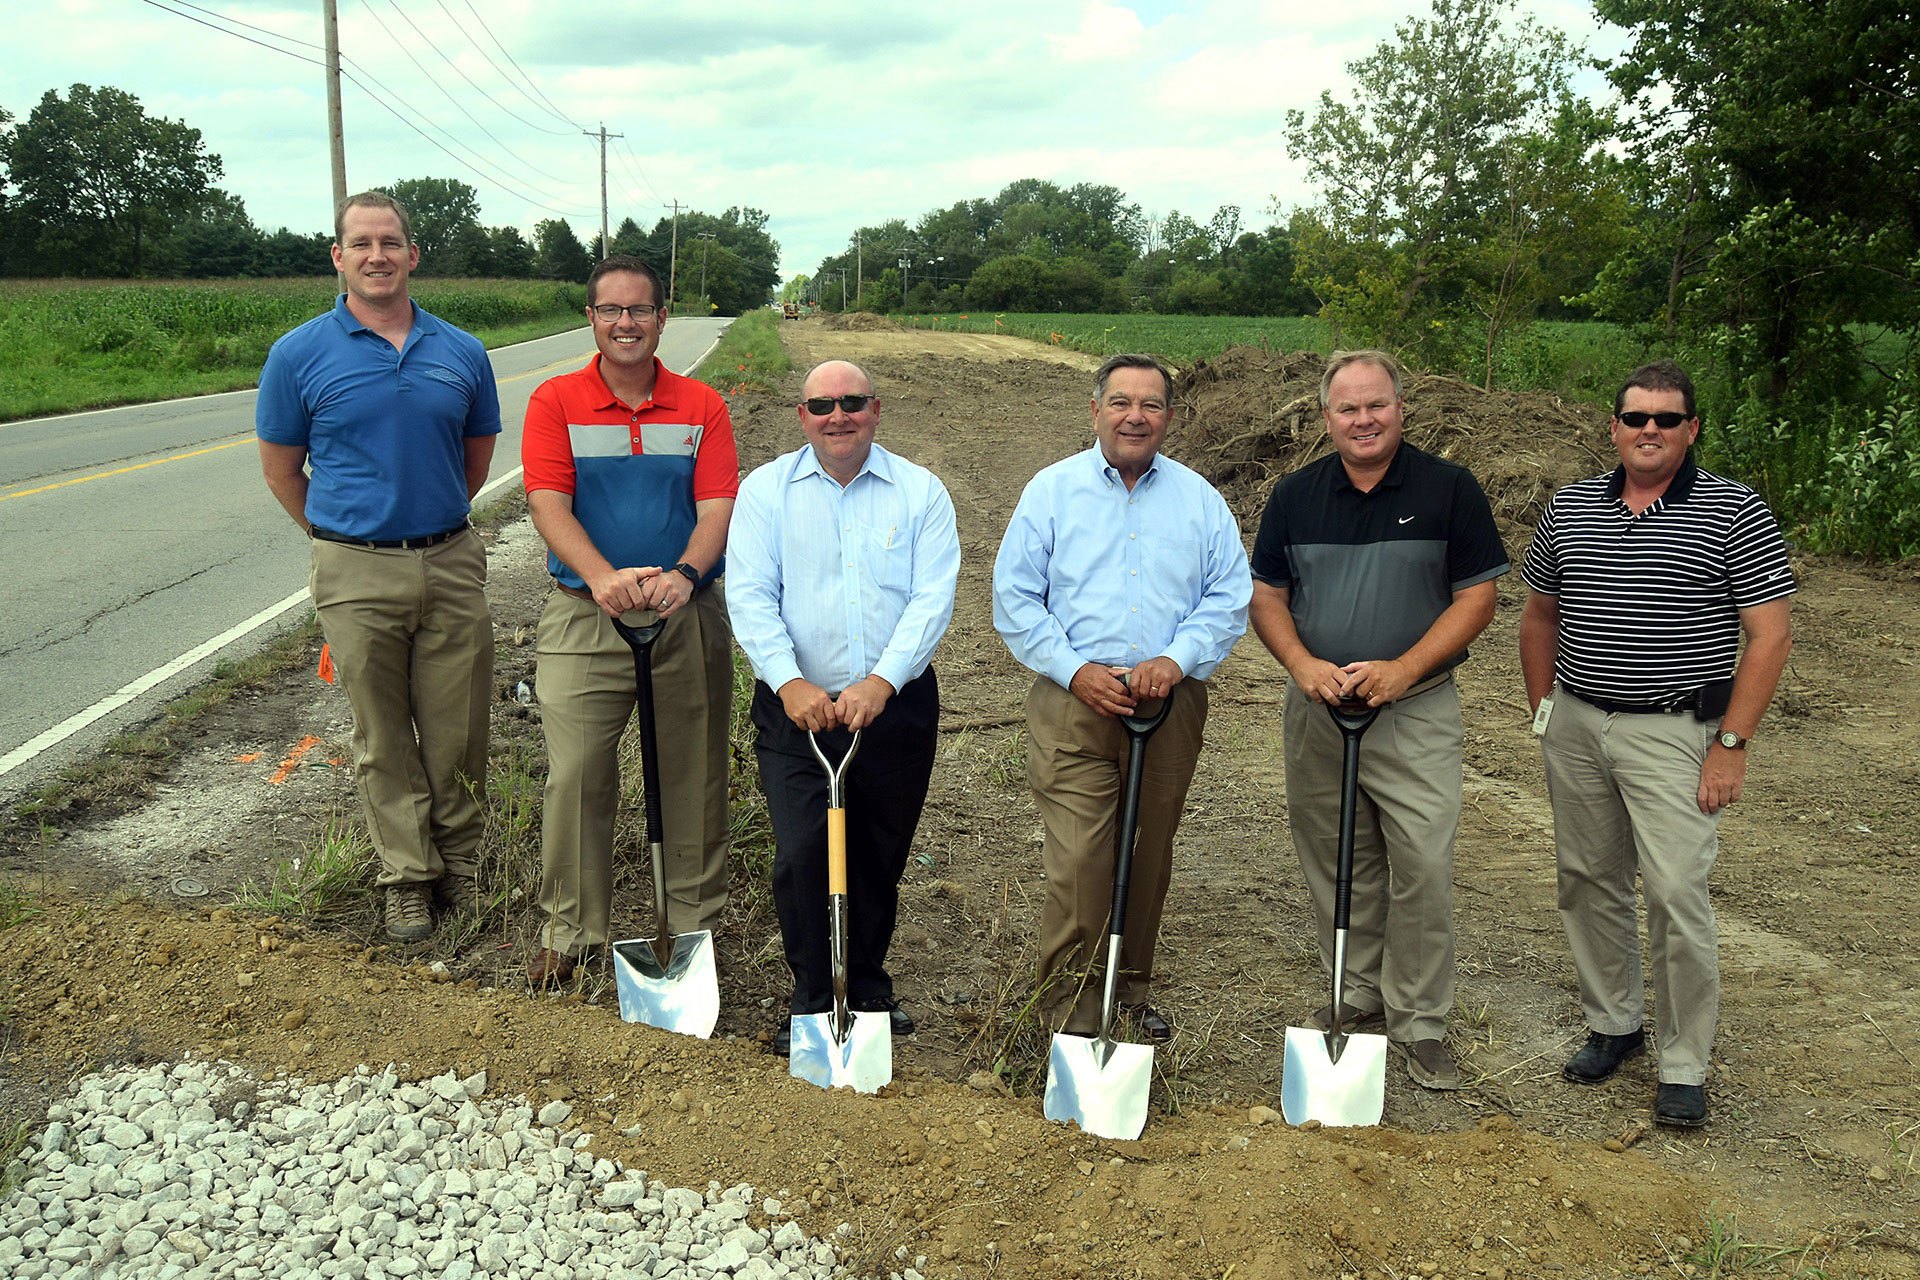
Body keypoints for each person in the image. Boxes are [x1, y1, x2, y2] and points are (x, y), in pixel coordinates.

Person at [1519, 359, 1795, 1128]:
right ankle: (1614, 1025)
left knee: (1675, 894)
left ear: (1692, 429)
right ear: (1613, 427)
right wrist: (1544, 709)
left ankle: (1683, 1063)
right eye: (1635, 417)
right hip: (1577, 720)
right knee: (1588, 878)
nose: (1649, 431)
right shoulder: (1572, 508)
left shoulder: (1734, 511)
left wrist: (1731, 743)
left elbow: (1769, 635)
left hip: (1676, 730)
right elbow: (1540, 613)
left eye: (1666, 419)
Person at [1248, 349, 1507, 1091]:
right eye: (1348, 408)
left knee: (1420, 863)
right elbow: (1268, 596)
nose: (1364, 420)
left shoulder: (1448, 488)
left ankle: (1422, 1020)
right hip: (1319, 709)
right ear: (1325, 417)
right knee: (1337, 858)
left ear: (1401, 407)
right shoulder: (1296, 494)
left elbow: (1475, 598)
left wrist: (1402, 671)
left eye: (1377, 405)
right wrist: (1303, 667)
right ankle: (1355, 996)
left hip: (1413, 710)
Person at [256, 191, 501, 944]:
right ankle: (407, 879)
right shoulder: (298, 354)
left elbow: (475, 458)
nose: (376, 255)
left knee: (459, 730)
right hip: (353, 575)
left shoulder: (461, 350)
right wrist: (343, 538)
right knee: (383, 737)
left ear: (412, 254)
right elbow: (282, 470)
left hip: (449, 559)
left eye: (390, 241)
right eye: (360, 243)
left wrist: (424, 524)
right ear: (339, 257)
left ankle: (461, 862)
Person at [993, 353, 1251, 1041]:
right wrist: (1074, 669)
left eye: (1151, 404)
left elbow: (1229, 595)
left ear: (1169, 416)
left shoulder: (1199, 500)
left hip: (1169, 702)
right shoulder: (1051, 493)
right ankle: (1068, 1008)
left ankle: (1128, 989)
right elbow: (1015, 598)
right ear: (1096, 411)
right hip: (1075, 699)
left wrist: (1178, 658)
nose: (1135, 416)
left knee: (1149, 847)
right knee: (1082, 857)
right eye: (1121, 402)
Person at [727, 360, 959, 1053]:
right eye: (822, 405)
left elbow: (931, 599)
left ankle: (866, 987)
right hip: (794, 709)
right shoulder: (766, 492)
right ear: (802, 415)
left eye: (852, 402)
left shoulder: (920, 493)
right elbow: (750, 595)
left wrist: (882, 682)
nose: (838, 416)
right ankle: (812, 999)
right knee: (802, 854)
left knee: (877, 852)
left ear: (875, 409)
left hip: (895, 707)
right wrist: (790, 683)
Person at [520, 254, 739, 986]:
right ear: (591, 317)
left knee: (692, 775)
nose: (625, 323)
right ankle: (573, 930)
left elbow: (717, 508)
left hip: (683, 614)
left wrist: (684, 575)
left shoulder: (702, 405)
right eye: (610, 311)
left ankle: (689, 930)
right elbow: (548, 502)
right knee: (578, 774)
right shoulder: (556, 401)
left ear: (661, 317)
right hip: (588, 617)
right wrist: (601, 577)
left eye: (639, 310)